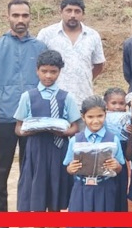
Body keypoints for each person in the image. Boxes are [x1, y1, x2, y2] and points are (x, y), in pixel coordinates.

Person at [0, 0, 47, 212]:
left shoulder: (40, 47)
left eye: (24, 15)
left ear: (30, 18)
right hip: (5, 118)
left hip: (32, 120)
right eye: (16, 15)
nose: (20, 20)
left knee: (29, 173)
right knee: (1, 173)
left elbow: (47, 83)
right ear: (8, 17)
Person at [14, 49, 81, 212]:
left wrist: (64, 132)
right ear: (37, 71)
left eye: (53, 72)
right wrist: (27, 131)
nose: (48, 76)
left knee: (55, 192)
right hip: (36, 150)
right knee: (37, 192)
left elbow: (76, 127)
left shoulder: (67, 97)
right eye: (44, 71)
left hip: (58, 149)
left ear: (59, 72)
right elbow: (18, 127)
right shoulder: (28, 97)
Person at [37, 0, 106, 108]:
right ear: (61, 12)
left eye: (77, 11)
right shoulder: (46, 34)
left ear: (83, 14)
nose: (73, 15)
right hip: (52, 100)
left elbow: (98, 65)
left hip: (83, 99)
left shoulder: (93, 35)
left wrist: (83, 78)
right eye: (68, 11)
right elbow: (38, 63)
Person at [64, 95, 125, 216]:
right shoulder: (75, 140)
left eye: (100, 116)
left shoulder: (113, 140)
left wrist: (116, 166)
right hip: (81, 188)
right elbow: (68, 167)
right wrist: (71, 168)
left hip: (105, 189)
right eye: (90, 117)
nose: (96, 121)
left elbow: (119, 168)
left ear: (105, 114)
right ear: (83, 117)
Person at [103, 87, 132, 212]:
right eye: (113, 103)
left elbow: (128, 156)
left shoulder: (128, 122)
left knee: (120, 197)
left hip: (121, 168)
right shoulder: (101, 121)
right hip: (104, 165)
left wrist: (131, 135)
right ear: (106, 105)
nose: (117, 107)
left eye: (121, 103)